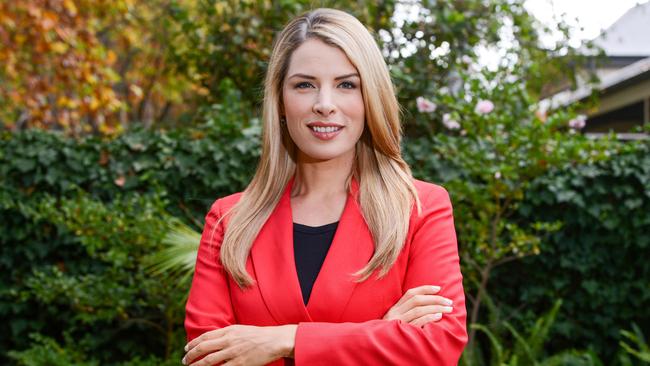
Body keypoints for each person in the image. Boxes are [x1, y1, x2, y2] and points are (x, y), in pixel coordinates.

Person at [183, 8, 467, 366]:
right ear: (281, 102)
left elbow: (437, 347)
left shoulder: (421, 207)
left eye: (347, 84)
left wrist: (286, 340)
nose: (324, 105)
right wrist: (381, 332)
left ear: (370, 99)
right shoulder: (229, 220)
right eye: (305, 85)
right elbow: (207, 357)